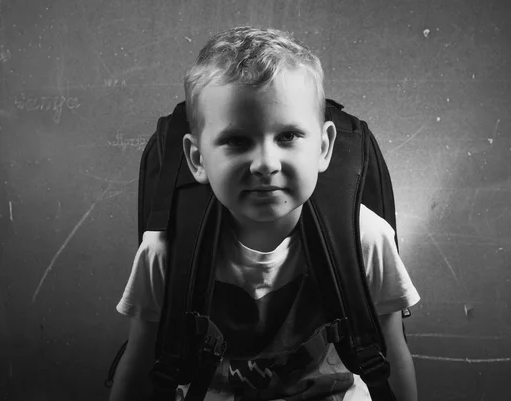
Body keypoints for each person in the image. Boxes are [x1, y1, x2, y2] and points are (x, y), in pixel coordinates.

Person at [109, 26, 420, 401]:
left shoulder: (365, 239)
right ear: (197, 159)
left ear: (324, 147)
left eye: (288, 136)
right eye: (237, 140)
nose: (265, 164)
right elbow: (141, 364)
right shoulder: (166, 249)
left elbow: (390, 356)